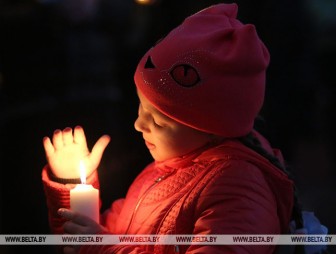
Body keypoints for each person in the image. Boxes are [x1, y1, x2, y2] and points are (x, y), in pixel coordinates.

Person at [41, 3, 327, 254]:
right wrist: (73, 190)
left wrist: (100, 246)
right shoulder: (164, 171)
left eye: (158, 120)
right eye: (141, 109)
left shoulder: (239, 190)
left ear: (211, 127)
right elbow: (104, 237)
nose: (139, 125)